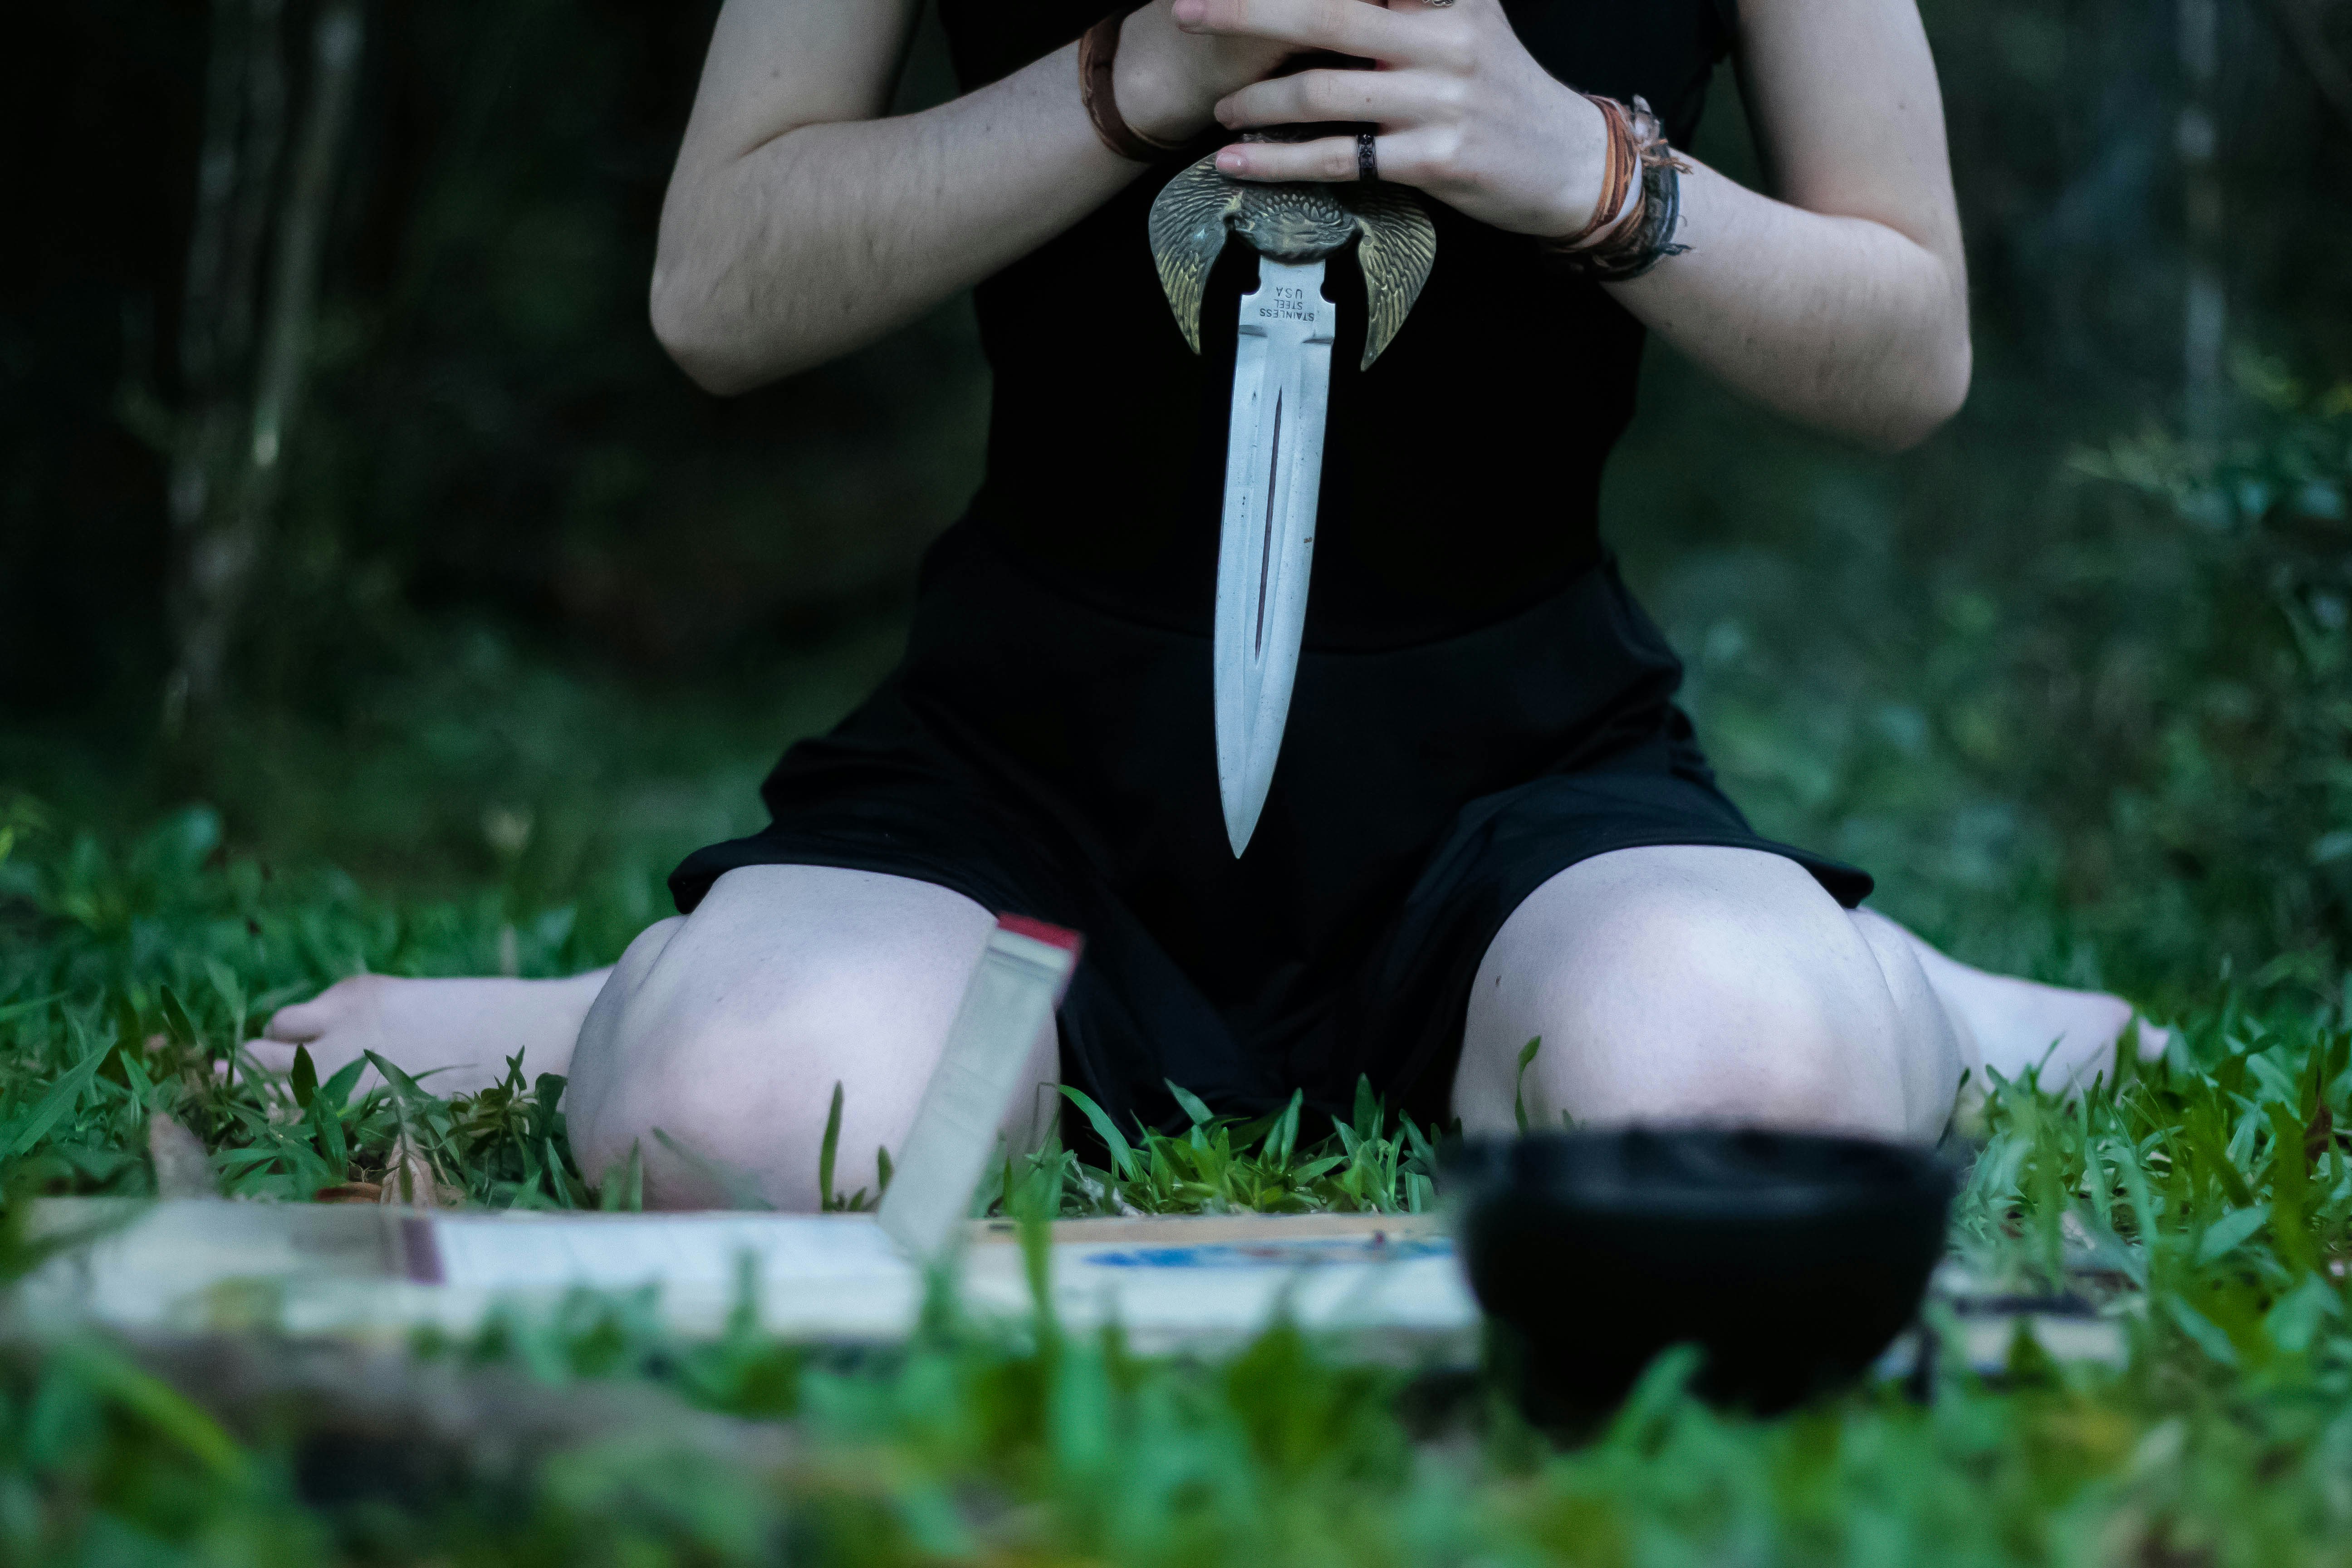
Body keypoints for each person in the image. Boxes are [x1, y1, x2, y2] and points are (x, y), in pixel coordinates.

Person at [245, 0, 2164, 1209]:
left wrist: (1582, 166)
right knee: (754, 1132)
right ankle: (667, 1005)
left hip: (1525, 804)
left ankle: (1876, 985)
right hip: (1023, 806)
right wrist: (1124, 78)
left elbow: (1910, 346)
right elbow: (718, 292)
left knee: (1739, 1113)